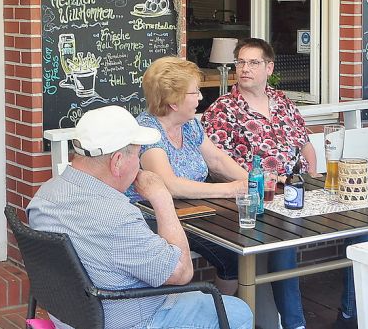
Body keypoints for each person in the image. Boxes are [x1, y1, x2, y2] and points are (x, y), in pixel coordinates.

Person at [27, 105, 254, 329]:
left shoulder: (43, 198)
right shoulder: (118, 218)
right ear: (117, 162)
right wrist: (162, 198)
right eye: (138, 155)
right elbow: (182, 272)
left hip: (69, 316)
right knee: (239, 312)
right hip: (129, 319)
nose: (139, 164)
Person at [202, 38, 325, 329]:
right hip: (257, 197)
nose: (245, 68)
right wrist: (260, 184)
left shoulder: (282, 101)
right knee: (283, 238)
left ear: (269, 67)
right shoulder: (223, 109)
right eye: (240, 62)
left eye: (253, 62)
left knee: (360, 227)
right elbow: (216, 164)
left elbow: (304, 143)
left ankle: (350, 311)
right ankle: (294, 323)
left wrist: (313, 174)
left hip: (299, 186)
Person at [132, 57, 251, 294]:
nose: (200, 97)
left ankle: (226, 312)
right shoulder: (147, 130)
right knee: (230, 254)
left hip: (196, 211)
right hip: (156, 216)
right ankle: (222, 316)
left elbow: (217, 160)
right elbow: (170, 185)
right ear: (174, 101)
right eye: (194, 92)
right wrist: (229, 189)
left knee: (239, 241)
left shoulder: (190, 124)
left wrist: (251, 180)